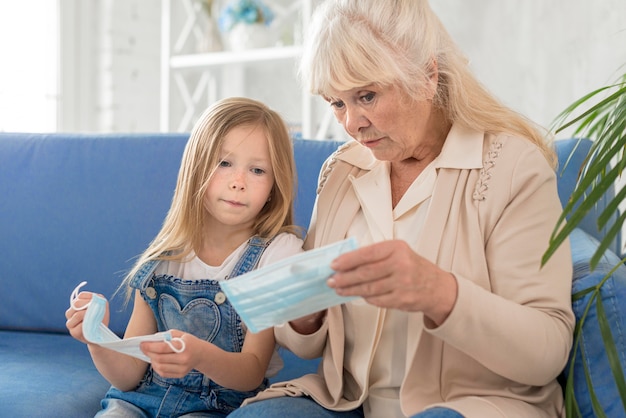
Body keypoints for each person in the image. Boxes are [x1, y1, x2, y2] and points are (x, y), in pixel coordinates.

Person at [228, 0, 575, 417]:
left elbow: (547, 352)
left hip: (474, 405)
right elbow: (310, 342)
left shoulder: (512, 167)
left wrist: (440, 293)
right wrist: (305, 315)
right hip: (350, 401)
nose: (351, 123)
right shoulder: (340, 170)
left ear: (427, 77)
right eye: (336, 103)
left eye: (367, 96)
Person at [65, 97, 304, 417]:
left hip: (215, 408)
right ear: (196, 169)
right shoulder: (163, 257)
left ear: (275, 185)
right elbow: (129, 376)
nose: (238, 182)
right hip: (139, 400)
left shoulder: (273, 256)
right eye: (224, 163)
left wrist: (199, 355)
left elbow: (251, 372)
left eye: (257, 170)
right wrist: (96, 338)